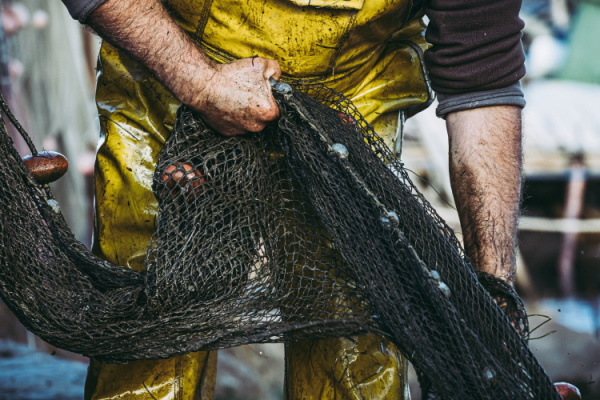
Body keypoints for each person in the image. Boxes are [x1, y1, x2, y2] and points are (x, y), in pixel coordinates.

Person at [60, 0, 526, 399]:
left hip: (352, 104)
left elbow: (482, 80)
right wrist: (197, 81)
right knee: (150, 326)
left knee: (355, 347)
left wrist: (493, 284)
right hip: (168, 74)